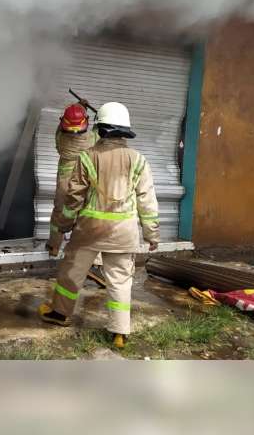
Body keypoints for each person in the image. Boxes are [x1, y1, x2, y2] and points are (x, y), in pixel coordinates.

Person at [40, 102, 160, 349]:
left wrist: (64, 225)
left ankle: (60, 314)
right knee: (120, 281)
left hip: (89, 231)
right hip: (124, 233)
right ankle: (120, 332)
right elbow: (147, 201)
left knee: (72, 272)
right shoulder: (139, 160)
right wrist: (151, 235)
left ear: (101, 129)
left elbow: (73, 198)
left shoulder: (88, 157)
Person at [52, 102, 104, 285]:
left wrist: (79, 108)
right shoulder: (91, 139)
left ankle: (54, 246)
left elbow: (59, 129)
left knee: (59, 213)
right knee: (87, 219)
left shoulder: (61, 139)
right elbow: (100, 130)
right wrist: (94, 114)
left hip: (64, 184)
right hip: (83, 183)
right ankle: (94, 262)